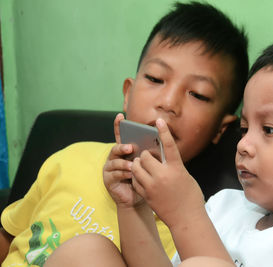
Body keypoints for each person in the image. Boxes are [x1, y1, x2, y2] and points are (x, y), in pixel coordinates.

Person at [56, 38, 273, 267]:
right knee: (87, 250)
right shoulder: (226, 207)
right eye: (244, 129)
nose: (243, 144)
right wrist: (134, 205)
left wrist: (186, 214)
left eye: (269, 130)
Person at [0, 2, 249, 266]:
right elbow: (9, 235)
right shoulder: (71, 158)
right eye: (155, 79)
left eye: (198, 94)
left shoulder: (191, 232)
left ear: (221, 128)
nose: (168, 102)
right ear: (128, 94)